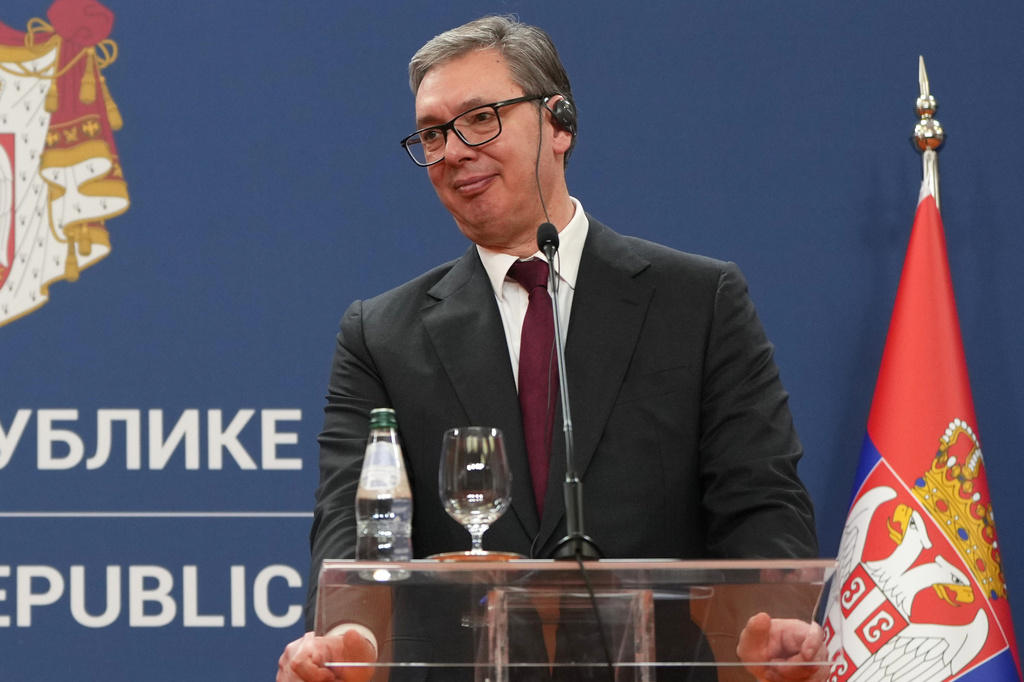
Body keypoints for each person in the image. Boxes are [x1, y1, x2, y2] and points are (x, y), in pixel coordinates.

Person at [279, 15, 825, 682]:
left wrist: (774, 621)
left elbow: (760, 498)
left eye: (481, 119)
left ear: (559, 123)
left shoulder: (698, 302)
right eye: (433, 133)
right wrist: (350, 635)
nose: (453, 151)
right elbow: (355, 524)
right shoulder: (381, 335)